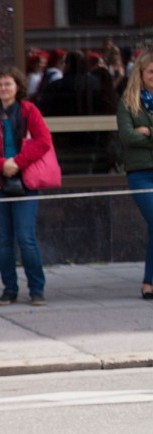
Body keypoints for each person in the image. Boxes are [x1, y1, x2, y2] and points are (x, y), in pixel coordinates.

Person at [0, 65, 53, 306]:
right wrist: (2, 164)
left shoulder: (30, 111)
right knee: (4, 240)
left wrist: (17, 163)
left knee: (26, 238)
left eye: (8, 83)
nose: (4, 88)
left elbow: (44, 141)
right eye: (0, 84)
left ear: (18, 87)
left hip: (25, 183)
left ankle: (36, 289)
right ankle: (9, 290)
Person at [117, 51, 153, 300]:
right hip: (140, 173)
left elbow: (138, 135)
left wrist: (147, 131)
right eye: (151, 72)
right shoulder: (128, 102)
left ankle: (149, 282)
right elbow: (127, 136)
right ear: (140, 74)